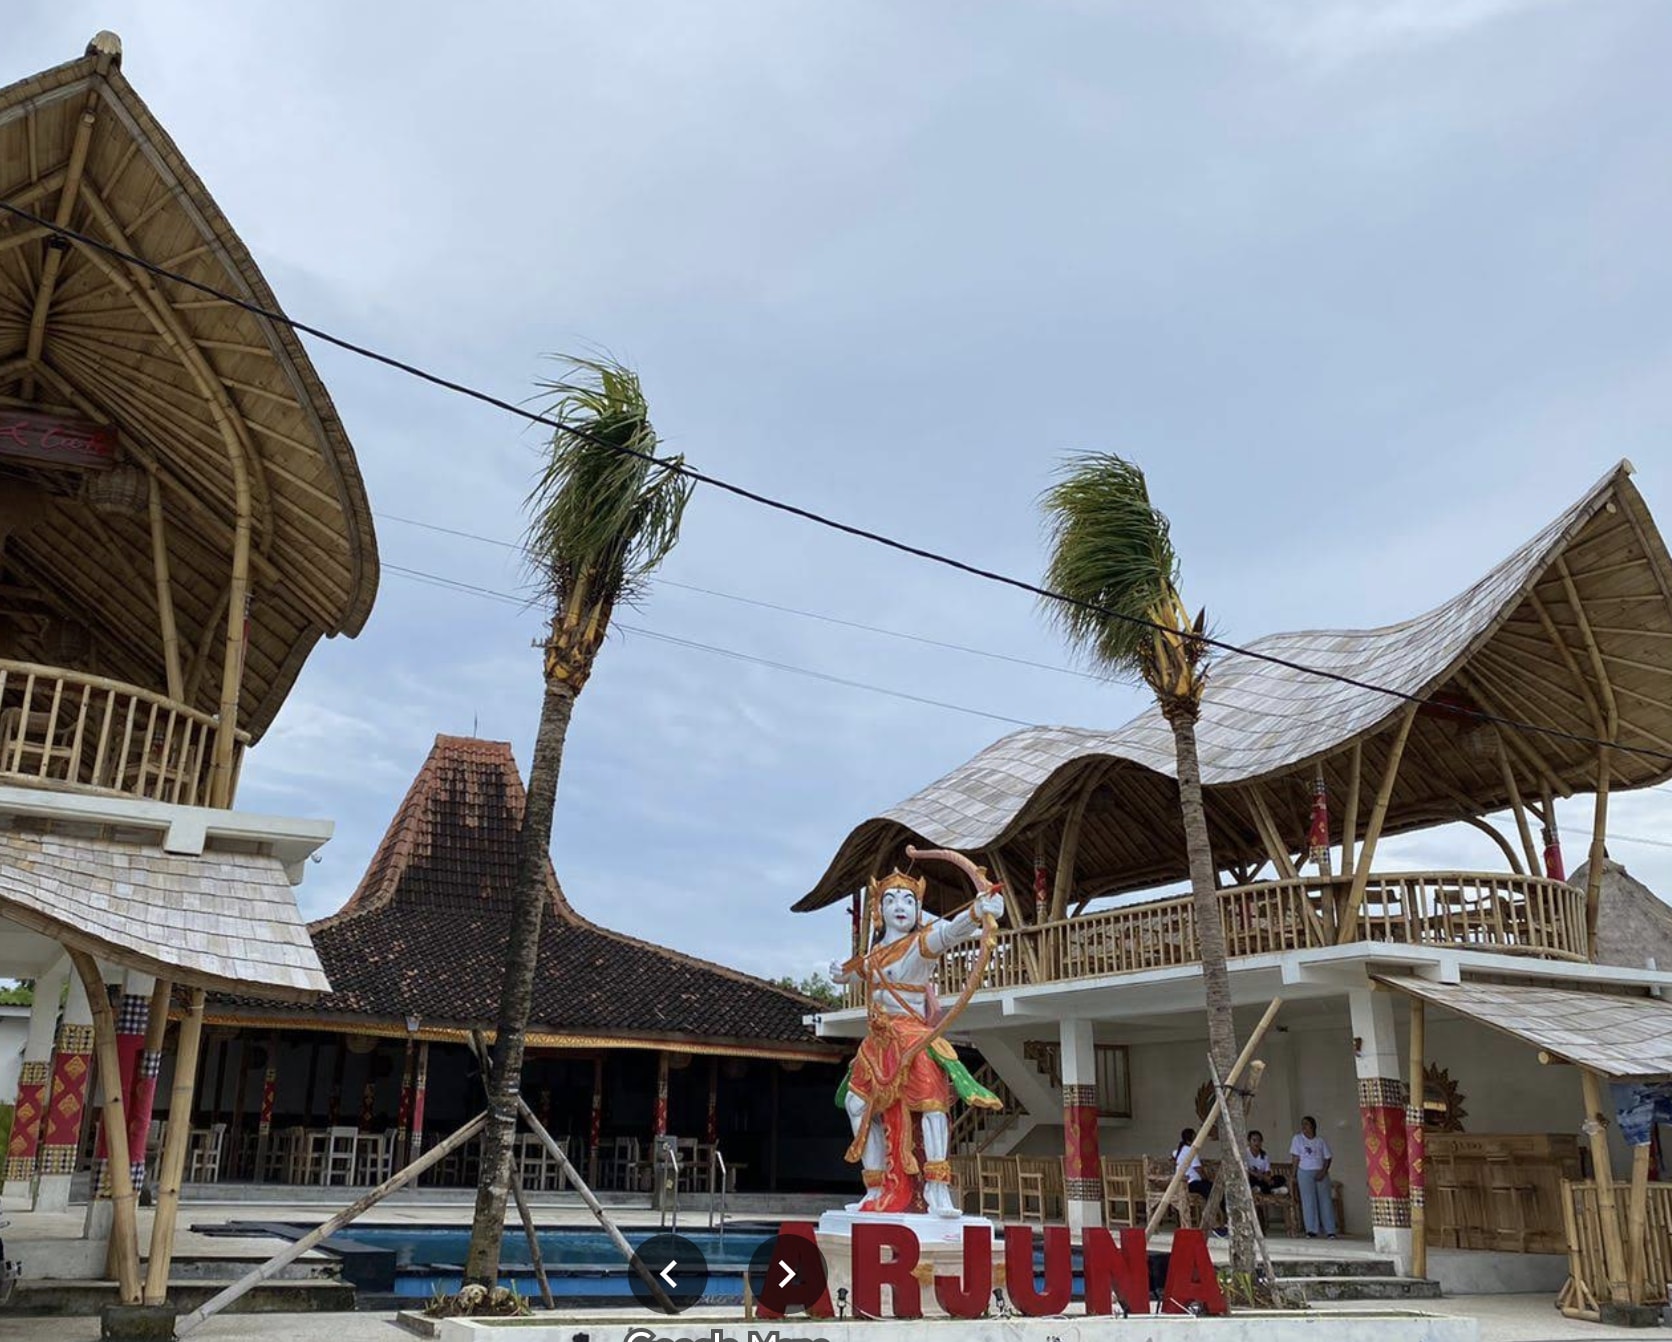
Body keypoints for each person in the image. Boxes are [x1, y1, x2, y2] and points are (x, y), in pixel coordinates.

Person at [829, 864, 1005, 1217]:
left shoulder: (920, 945)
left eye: (909, 901)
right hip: (878, 1042)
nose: (900, 906)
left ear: (918, 910)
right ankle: (876, 1187)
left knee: (932, 1104)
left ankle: (938, 1189)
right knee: (856, 1104)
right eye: (891, 900)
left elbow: (949, 933)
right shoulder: (874, 956)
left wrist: (977, 911)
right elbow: (851, 973)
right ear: (879, 910)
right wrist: (838, 973)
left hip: (913, 1038)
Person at [1290, 1115, 1336, 1238]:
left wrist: (1323, 1172)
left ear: (1313, 1126)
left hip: (1320, 1172)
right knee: (1308, 1201)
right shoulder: (1297, 1139)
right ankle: (1311, 1230)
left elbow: (1327, 1158)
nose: (1304, 1127)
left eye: (1306, 1124)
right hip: (1304, 1172)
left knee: (1325, 1200)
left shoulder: (1320, 1141)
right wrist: (1293, 1175)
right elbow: (1295, 1158)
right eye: (1302, 1124)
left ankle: (1330, 1230)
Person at [1246, 1130, 1287, 1194]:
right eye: (1254, 1140)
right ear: (1249, 1142)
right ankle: (1271, 1190)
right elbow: (1245, 1169)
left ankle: (1263, 1189)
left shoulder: (1264, 1155)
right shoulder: (1245, 1153)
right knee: (1252, 1179)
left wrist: (1267, 1178)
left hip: (1262, 1179)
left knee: (1280, 1179)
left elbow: (1267, 1171)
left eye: (1259, 1140)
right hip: (1252, 1178)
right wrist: (1257, 1175)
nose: (1257, 1143)